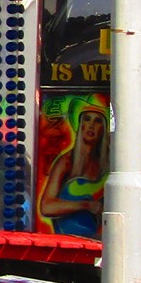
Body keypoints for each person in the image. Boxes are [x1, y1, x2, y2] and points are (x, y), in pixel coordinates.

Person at [37, 99, 108, 237]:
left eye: (98, 121)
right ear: (80, 124)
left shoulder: (107, 163)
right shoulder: (66, 162)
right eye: (87, 119)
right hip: (69, 238)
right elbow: (46, 206)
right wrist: (86, 206)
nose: (91, 126)